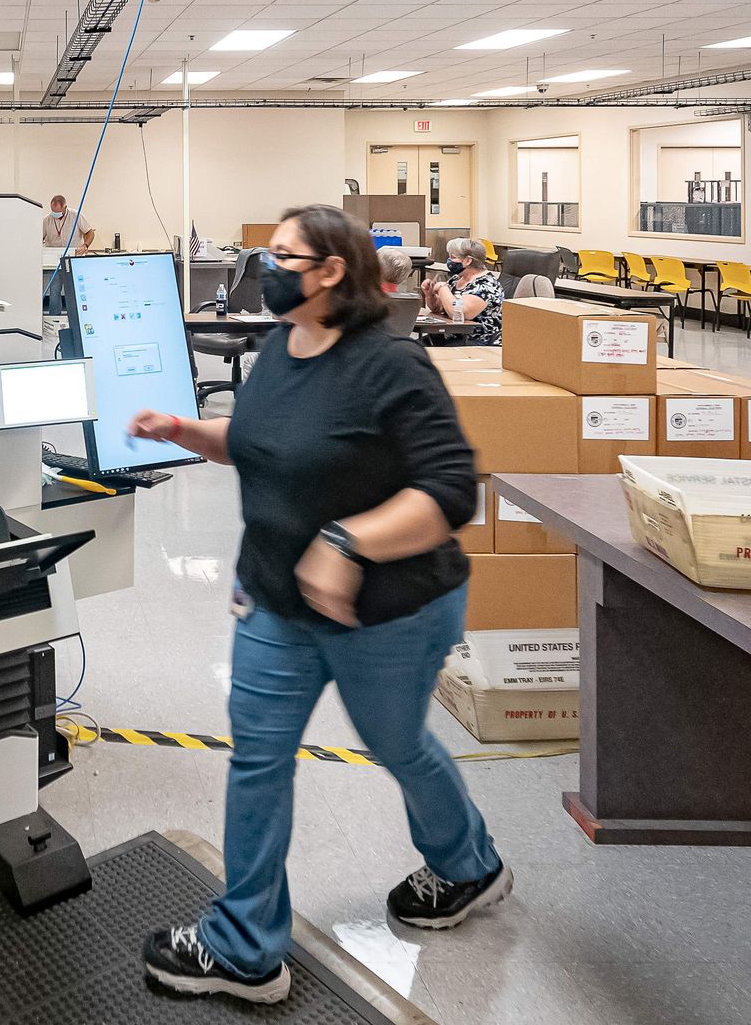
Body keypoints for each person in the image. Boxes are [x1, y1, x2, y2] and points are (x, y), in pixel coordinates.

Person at [129, 205, 507, 1006]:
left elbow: (450, 491)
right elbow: (263, 440)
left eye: (282, 256)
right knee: (257, 760)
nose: (266, 268)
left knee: (397, 744)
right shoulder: (281, 349)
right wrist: (185, 432)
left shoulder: (392, 366)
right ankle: (245, 947)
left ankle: (470, 865)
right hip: (276, 603)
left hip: (392, 611)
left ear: (331, 270)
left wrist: (345, 543)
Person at [422, 237, 503, 346]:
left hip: (477, 342)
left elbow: (458, 313)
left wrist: (442, 288)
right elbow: (438, 308)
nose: (449, 260)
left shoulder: (487, 286)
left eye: (453, 257)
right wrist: (430, 294)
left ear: (468, 261)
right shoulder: (457, 279)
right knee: (413, 348)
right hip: (449, 336)